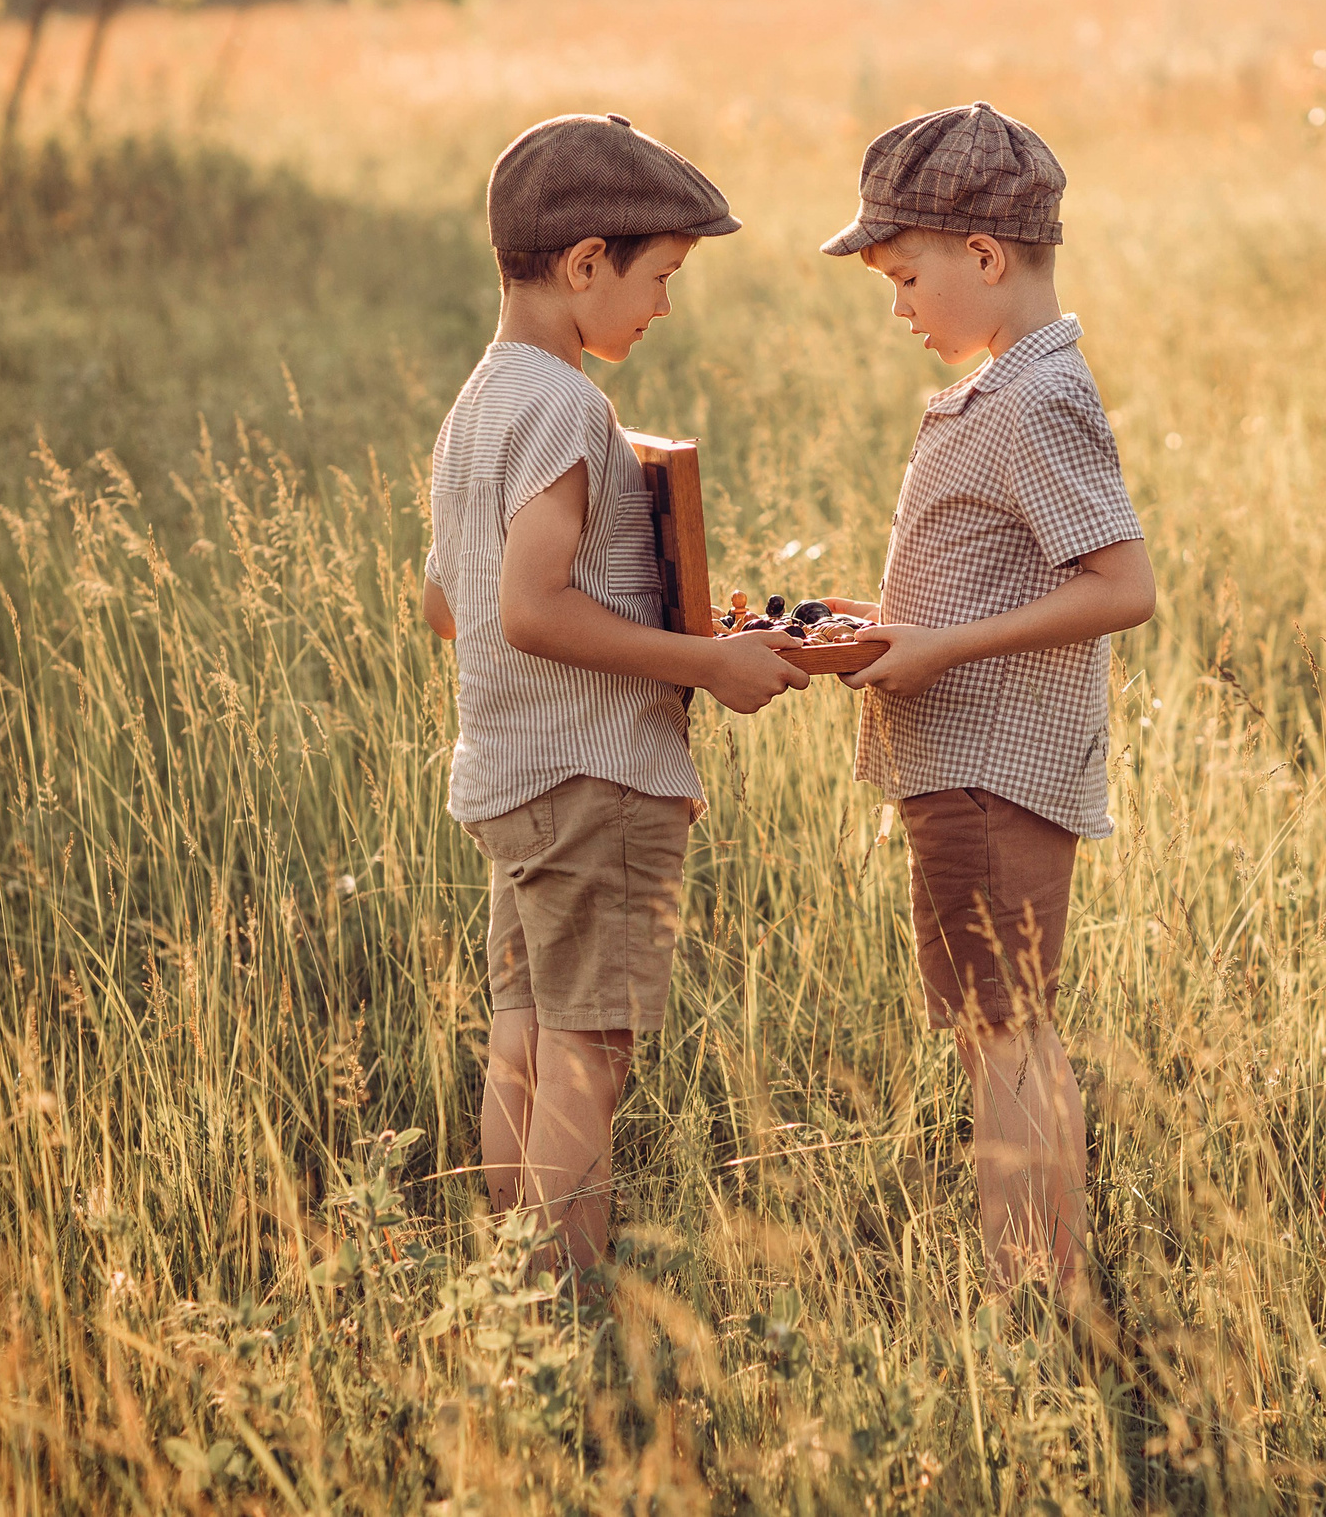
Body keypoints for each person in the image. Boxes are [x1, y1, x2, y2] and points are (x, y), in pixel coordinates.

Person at [422, 113, 809, 1272]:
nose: (664, 307)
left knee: (527, 1041)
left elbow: (448, 602)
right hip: (597, 783)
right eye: (660, 276)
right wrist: (710, 664)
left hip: (509, 775)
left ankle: (507, 1289)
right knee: (590, 1058)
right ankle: (566, 1303)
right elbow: (530, 610)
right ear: (585, 261)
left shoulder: (479, 402)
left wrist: (651, 605)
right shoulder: (566, 406)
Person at [816, 102, 1154, 1321]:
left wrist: (942, 646)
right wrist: (893, 624)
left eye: (905, 276)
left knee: (1005, 1037)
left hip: (990, 768)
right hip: (964, 761)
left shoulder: (1033, 399)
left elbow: (1122, 587)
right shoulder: (1004, 389)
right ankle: (1040, 1284)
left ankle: (1030, 1297)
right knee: (1000, 1032)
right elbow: (1003, 567)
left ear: (985, 256)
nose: (898, 305)